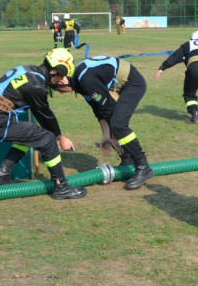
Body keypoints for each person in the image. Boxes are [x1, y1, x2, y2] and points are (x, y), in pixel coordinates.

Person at [0, 49, 87, 200]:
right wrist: (59, 137)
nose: (63, 80)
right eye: (62, 76)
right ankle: (61, 187)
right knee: (48, 139)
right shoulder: (36, 85)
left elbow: (39, 111)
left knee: (31, 136)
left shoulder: (31, 71)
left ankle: (2, 174)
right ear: (54, 71)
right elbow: (44, 114)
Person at [54, 54, 153, 190]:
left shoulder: (85, 79)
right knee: (115, 124)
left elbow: (108, 108)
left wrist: (114, 137)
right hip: (122, 86)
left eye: (56, 88)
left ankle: (143, 166)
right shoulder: (80, 83)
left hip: (133, 83)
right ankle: (127, 160)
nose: (60, 92)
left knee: (118, 124)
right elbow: (98, 109)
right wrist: (106, 136)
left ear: (62, 81)